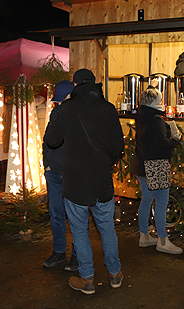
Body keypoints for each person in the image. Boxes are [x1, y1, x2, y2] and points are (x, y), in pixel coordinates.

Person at [45, 68, 125, 295]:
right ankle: (115, 274)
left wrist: (61, 114)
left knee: (80, 231)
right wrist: (105, 163)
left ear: (75, 85)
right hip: (102, 180)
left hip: (75, 182)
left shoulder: (67, 109)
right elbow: (118, 146)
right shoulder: (108, 109)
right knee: (107, 228)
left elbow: (52, 140)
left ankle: (87, 279)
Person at [132, 86, 182, 254]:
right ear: (154, 102)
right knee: (161, 203)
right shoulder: (156, 119)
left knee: (146, 200)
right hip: (156, 166)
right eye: (160, 100)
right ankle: (163, 240)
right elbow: (162, 143)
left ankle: (144, 236)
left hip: (140, 164)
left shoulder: (141, 116)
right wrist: (176, 139)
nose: (162, 102)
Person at [42, 80, 78, 271]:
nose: (59, 103)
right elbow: (46, 140)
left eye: (62, 100)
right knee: (56, 214)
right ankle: (59, 251)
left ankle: (77, 255)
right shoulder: (56, 113)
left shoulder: (79, 114)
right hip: (54, 173)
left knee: (76, 217)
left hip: (72, 174)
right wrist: (46, 164)